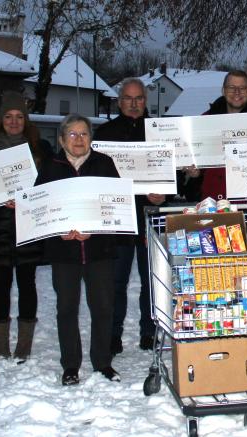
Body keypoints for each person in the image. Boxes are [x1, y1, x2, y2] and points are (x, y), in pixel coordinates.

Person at [37, 114, 122, 385]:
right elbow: (40, 209)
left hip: (99, 250)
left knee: (103, 307)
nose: (79, 139)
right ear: (61, 139)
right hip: (65, 254)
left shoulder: (105, 164)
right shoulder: (50, 167)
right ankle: (70, 366)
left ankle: (103, 362)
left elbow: (116, 205)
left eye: (84, 134)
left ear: (91, 138)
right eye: (72, 134)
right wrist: (56, 229)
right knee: (66, 309)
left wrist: (95, 229)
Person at [0, 92, 51, 364]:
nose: (14, 122)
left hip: (29, 227)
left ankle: (24, 345)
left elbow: (50, 188)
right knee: (0, 285)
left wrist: (30, 200)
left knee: (27, 284)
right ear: (0, 120)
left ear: (26, 120)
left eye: (19, 117)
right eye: (8, 116)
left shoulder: (41, 149)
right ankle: (1, 345)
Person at [92, 78, 166, 355]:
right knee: (116, 281)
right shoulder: (104, 134)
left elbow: (173, 174)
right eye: (128, 99)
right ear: (119, 101)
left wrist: (164, 195)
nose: (134, 104)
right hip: (118, 218)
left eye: (139, 99)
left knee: (151, 279)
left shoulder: (159, 132)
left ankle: (149, 332)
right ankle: (113, 334)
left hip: (150, 216)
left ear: (146, 101)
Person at [187, 70, 247, 200]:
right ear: (223, 91)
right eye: (231, 87)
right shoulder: (204, 121)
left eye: (242, 88)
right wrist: (195, 172)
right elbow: (197, 163)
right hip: (212, 202)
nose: (237, 92)